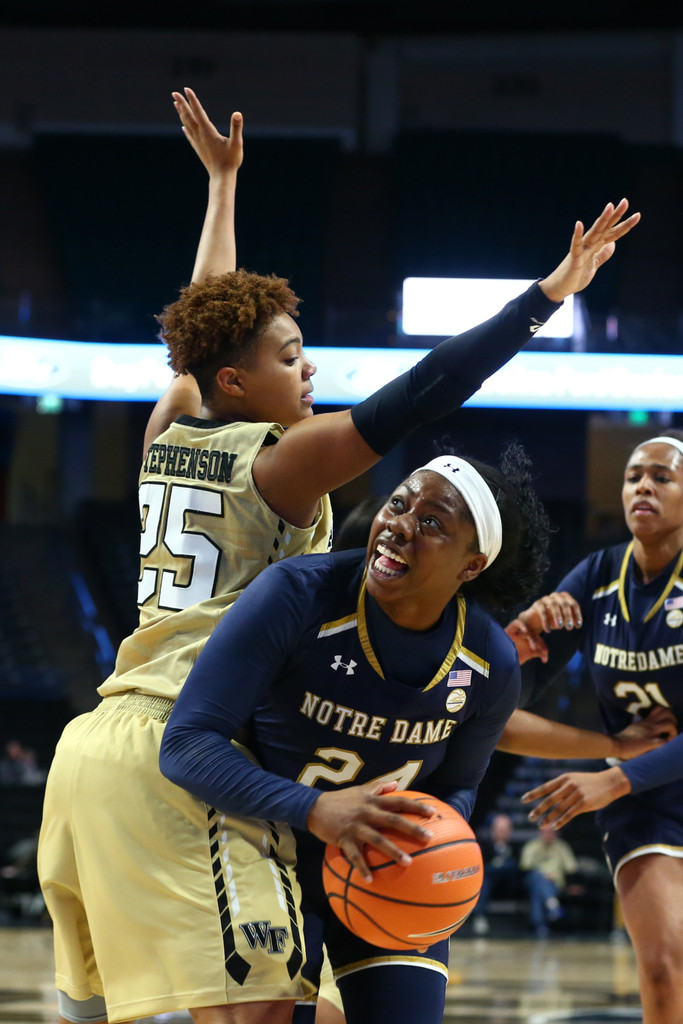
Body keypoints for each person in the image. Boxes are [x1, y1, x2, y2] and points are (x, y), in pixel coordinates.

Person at [36, 84, 642, 1024]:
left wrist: (222, 190)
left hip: (96, 742)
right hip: (180, 743)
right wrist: (543, 299)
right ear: (239, 381)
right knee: (265, 1011)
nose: (309, 369)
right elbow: (422, 394)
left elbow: (202, 327)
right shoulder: (281, 463)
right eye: (291, 356)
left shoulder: (171, 427)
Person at [159, 445, 551, 1024]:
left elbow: (458, 788)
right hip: (266, 846)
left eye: (431, 522)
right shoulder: (296, 594)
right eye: (399, 504)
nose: (398, 526)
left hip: (382, 865)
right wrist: (315, 807)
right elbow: (186, 743)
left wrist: (435, 841)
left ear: (471, 566)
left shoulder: (491, 662)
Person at [506, 432, 683, 1023]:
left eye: (663, 476)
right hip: (648, 801)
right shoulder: (597, 575)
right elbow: (502, 709)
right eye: (634, 476)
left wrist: (612, 779)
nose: (644, 487)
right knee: (663, 962)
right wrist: (518, 639)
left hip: (631, 782)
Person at [519, 825, 578, 938]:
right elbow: (525, 866)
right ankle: (552, 905)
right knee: (537, 878)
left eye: (551, 832)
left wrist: (553, 876)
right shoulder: (532, 846)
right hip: (533, 879)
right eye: (545, 832)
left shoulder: (562, 847)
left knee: (537, 891)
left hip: (555, 884)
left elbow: (572, 867)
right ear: (540, 833)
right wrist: (543, 875)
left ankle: (540, 926)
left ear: (556, 833)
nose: (548, 835)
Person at [471, 812, 522, 936]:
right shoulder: (483, 847)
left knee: (509, 868)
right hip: (489, 885)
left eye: (504, 830)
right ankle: (480, 917)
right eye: (499, 830)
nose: (501, 833)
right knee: (485, 878)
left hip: (510, 886)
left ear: (510, 831)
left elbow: (519, 869)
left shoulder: (517, 848)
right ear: (492, 831)